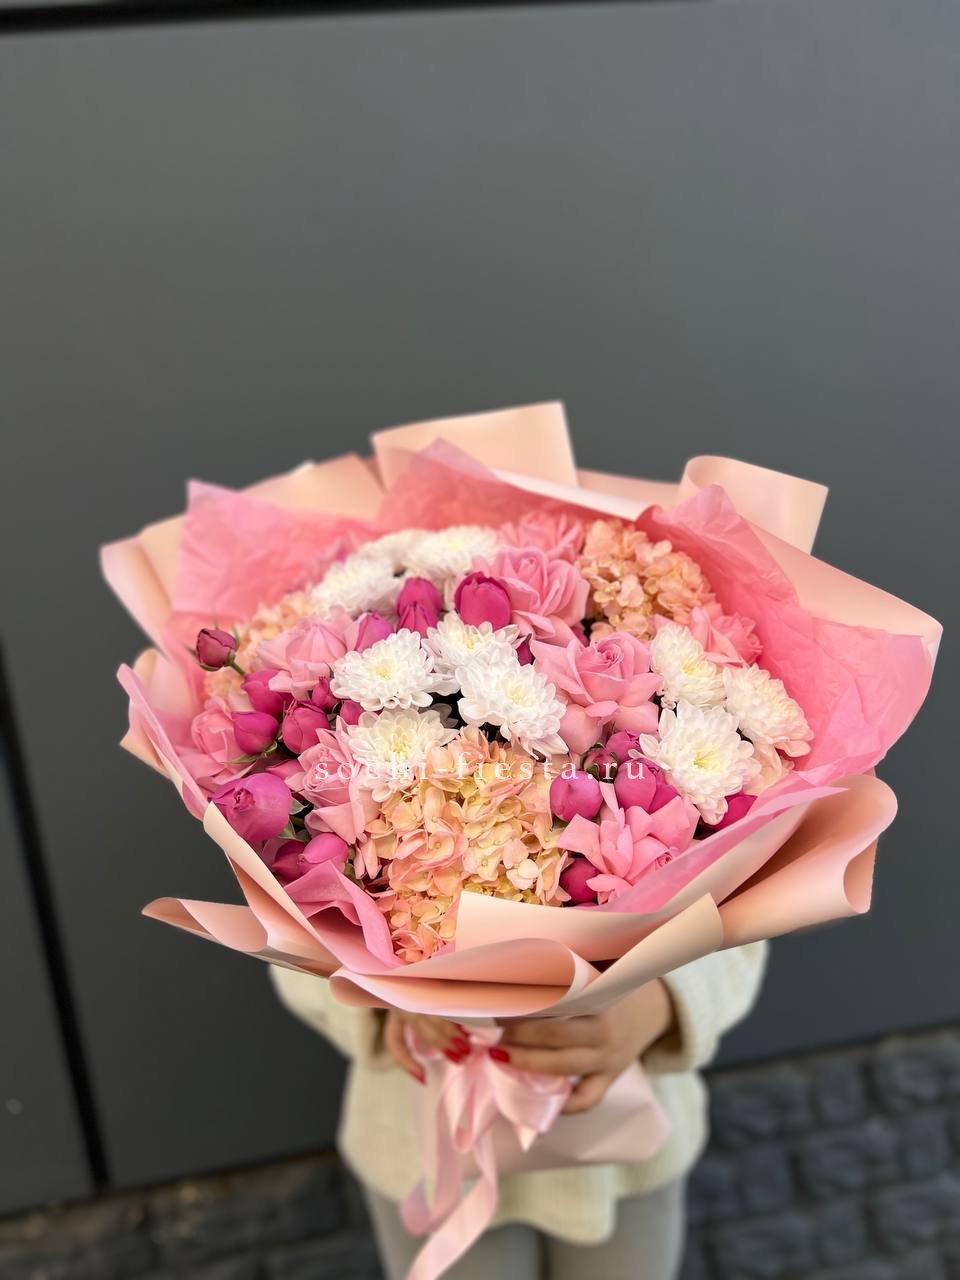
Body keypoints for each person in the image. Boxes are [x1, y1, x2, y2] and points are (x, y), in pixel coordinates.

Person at [271, 940, 765, 1279]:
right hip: (423, 1151)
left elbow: (741, 903)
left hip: (627, 1160)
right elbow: (289, 915)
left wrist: (663, 1003)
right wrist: (380, 995)